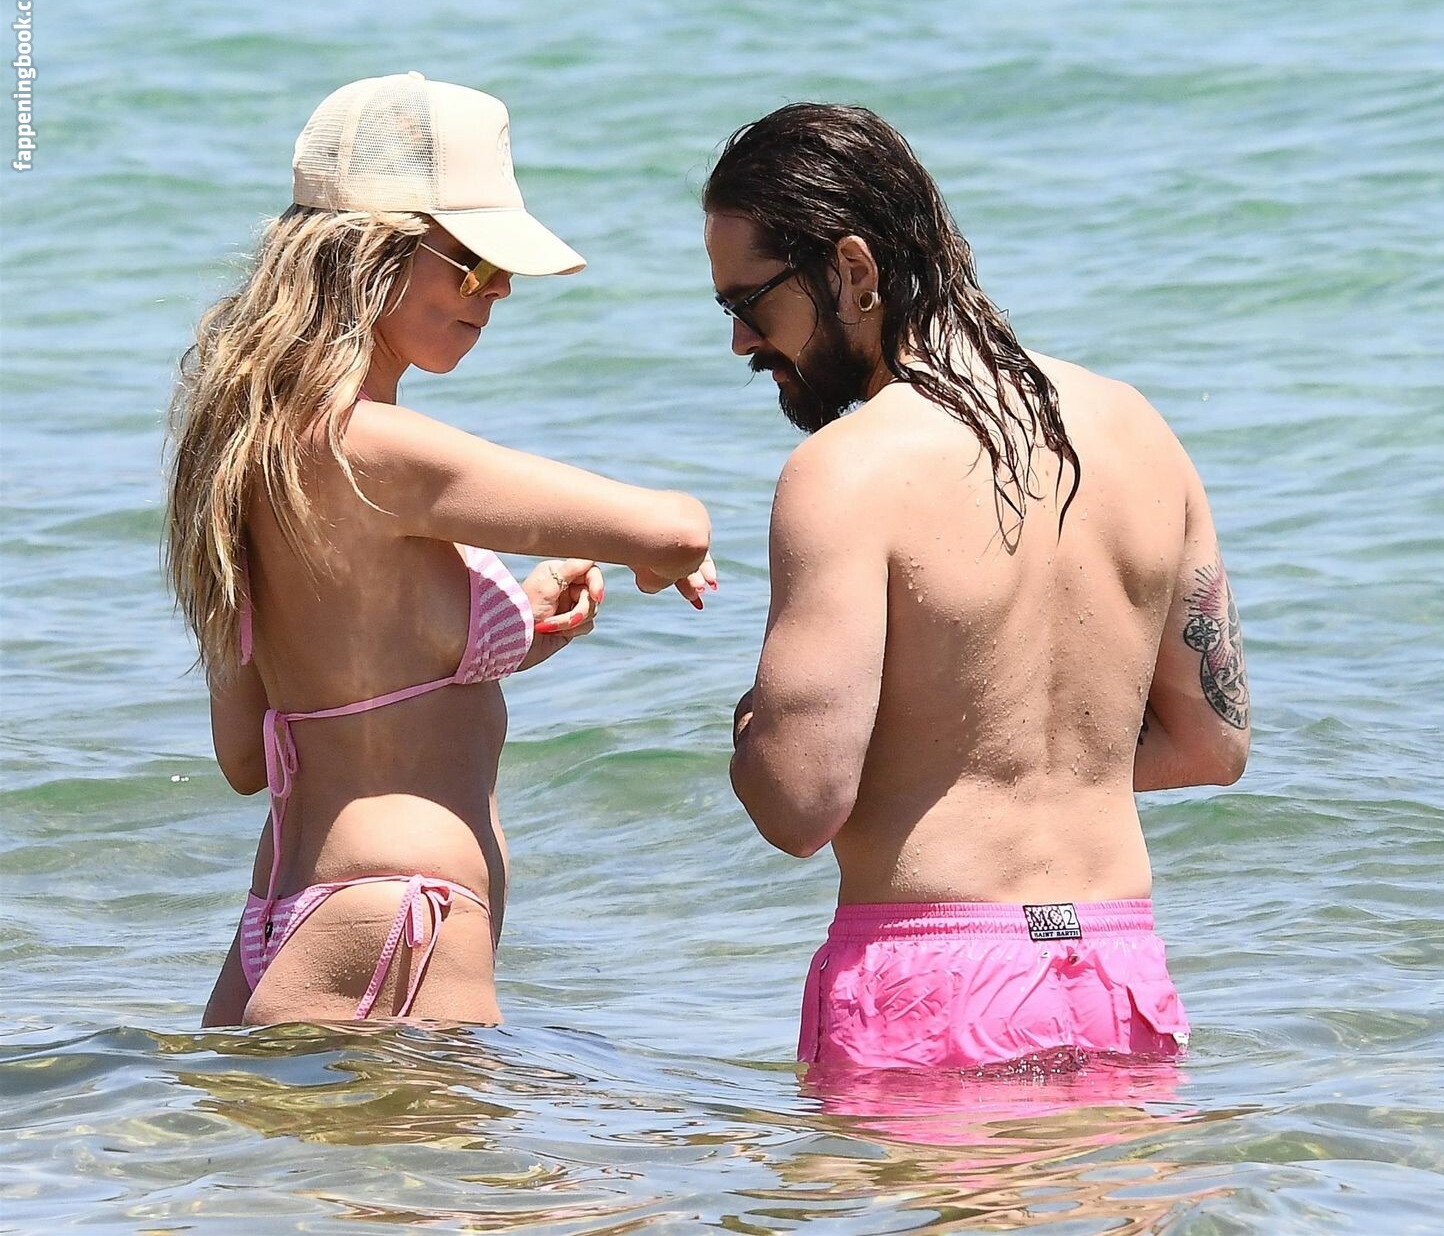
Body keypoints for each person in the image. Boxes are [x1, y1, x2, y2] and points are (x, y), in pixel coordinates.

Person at [704, 103, 1249, 1070]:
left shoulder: (846, 469)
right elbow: (1214, 744)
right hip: (1117, 975)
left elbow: (799, 805)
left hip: (929, 986)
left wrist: (751, 730)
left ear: (855, 271)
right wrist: (1032, 764)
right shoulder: (1139, 431)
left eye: (748, 302)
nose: (743, 342)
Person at [166, 73, 716, 1026]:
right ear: (367, 255)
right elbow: (677, 527)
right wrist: (658, 553)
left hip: (285, 923)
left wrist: (515, 627)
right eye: (472, 262)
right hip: (401, 922)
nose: (498, 290)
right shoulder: (374, 446)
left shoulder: (249, 453)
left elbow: (246, 754)